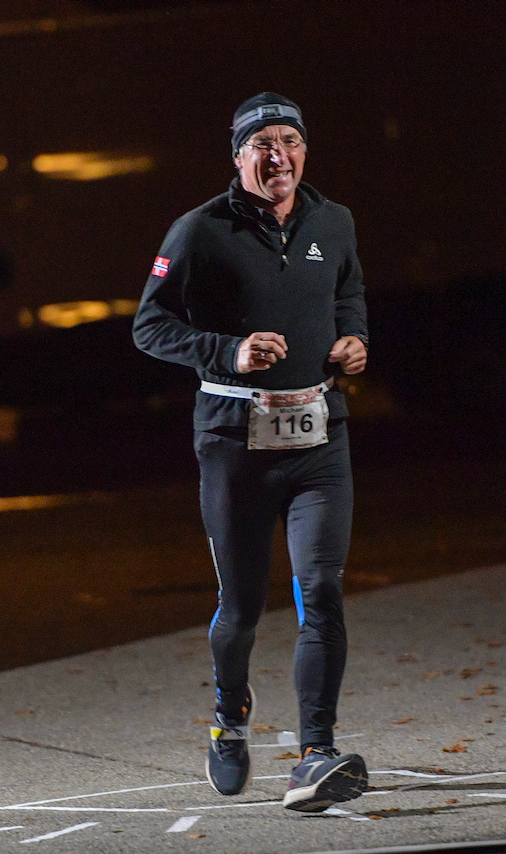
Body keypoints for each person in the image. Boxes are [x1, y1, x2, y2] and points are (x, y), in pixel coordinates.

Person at [133, 93, 370, 812]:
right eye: (261, 143)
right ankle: (229, 713)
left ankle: (316, 752)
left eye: (289, 141)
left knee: (321, 591)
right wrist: (227, 351)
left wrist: (354, 342)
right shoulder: (198, 231)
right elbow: (149, 325)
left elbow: (349, 294)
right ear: (238, 157)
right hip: (235, 442)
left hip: (317, 439)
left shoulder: (335, 222)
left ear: (304, 151)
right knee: (240, 608)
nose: (278, 156)